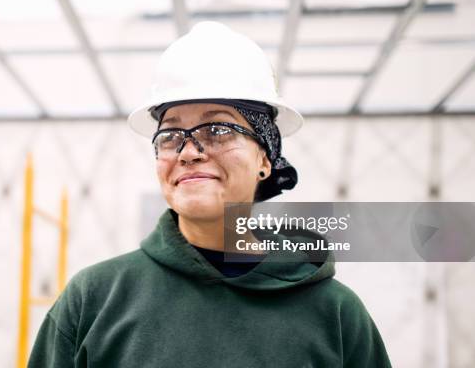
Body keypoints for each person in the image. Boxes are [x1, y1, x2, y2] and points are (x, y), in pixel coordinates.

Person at [27, 21, 392, 367]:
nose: (189, 151)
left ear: (265, 158)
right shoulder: (94, 300)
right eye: (170, 135)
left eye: (217, 129)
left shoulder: (337, 315)